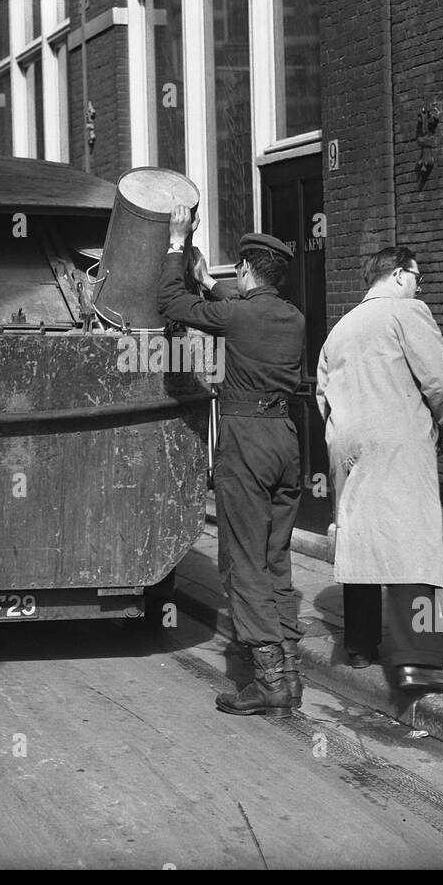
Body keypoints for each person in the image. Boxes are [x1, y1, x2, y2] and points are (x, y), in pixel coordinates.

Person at [159, 206, 305, 717]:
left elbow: (172, 303)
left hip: (245, 442)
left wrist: (178, 244)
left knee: (242, 561)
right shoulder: (291, 317)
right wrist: (208, 281)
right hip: (286, 440)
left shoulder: (238, 314)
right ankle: (289, 670)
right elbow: (236, 306)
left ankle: (267, 682)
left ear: (245, 271)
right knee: (275, 559)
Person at [315, 247, 443, 693]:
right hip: (398, 442)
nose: (420, 286)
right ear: (399, 276)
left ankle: (360, 646)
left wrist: (341, 438)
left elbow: (322, 394)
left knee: (360, 537)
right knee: (411, 543)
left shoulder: (340, 328)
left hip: (349, 443)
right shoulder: (407, 311)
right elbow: (439, 378)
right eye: (417, 277)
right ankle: (417, 660)